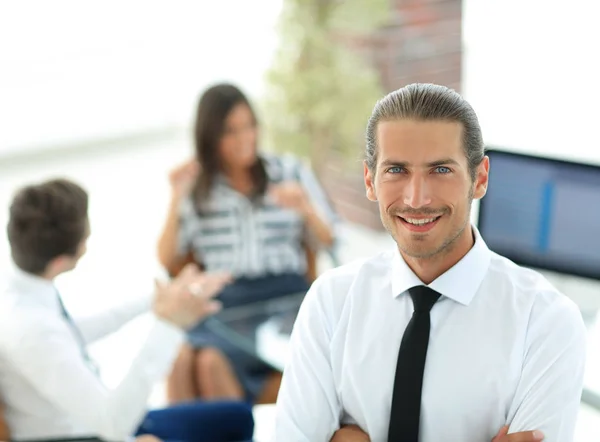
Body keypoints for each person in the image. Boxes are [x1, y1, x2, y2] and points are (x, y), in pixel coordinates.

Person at [273, 83, 587, 442]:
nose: (417, 198)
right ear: (369, 180)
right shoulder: (330, 302)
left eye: (440, 170)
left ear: (480, 178)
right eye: (396, 170)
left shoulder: (546, 322)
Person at [0, 179, 254, 442]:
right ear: (60, 261)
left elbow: (68, 333)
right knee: (233, 425)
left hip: (99, 420)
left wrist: (162, 297)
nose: (88, 241)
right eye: (86, 237)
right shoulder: (30, 330)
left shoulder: (25, 290)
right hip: (88, 433)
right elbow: (113, 424)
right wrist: (170, 324)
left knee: (239, 415)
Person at [157, 83, 339, 404]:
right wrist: (174, 197)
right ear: (210, 137)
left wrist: (305, 208)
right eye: (231, 131)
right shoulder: (198, 186)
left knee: (211, 363)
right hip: (226, 301)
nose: (245, 139)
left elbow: (331, 241)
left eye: (249, 126)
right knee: (181, 360)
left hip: (284, 297)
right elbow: (168, 259)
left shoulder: (288, 171)